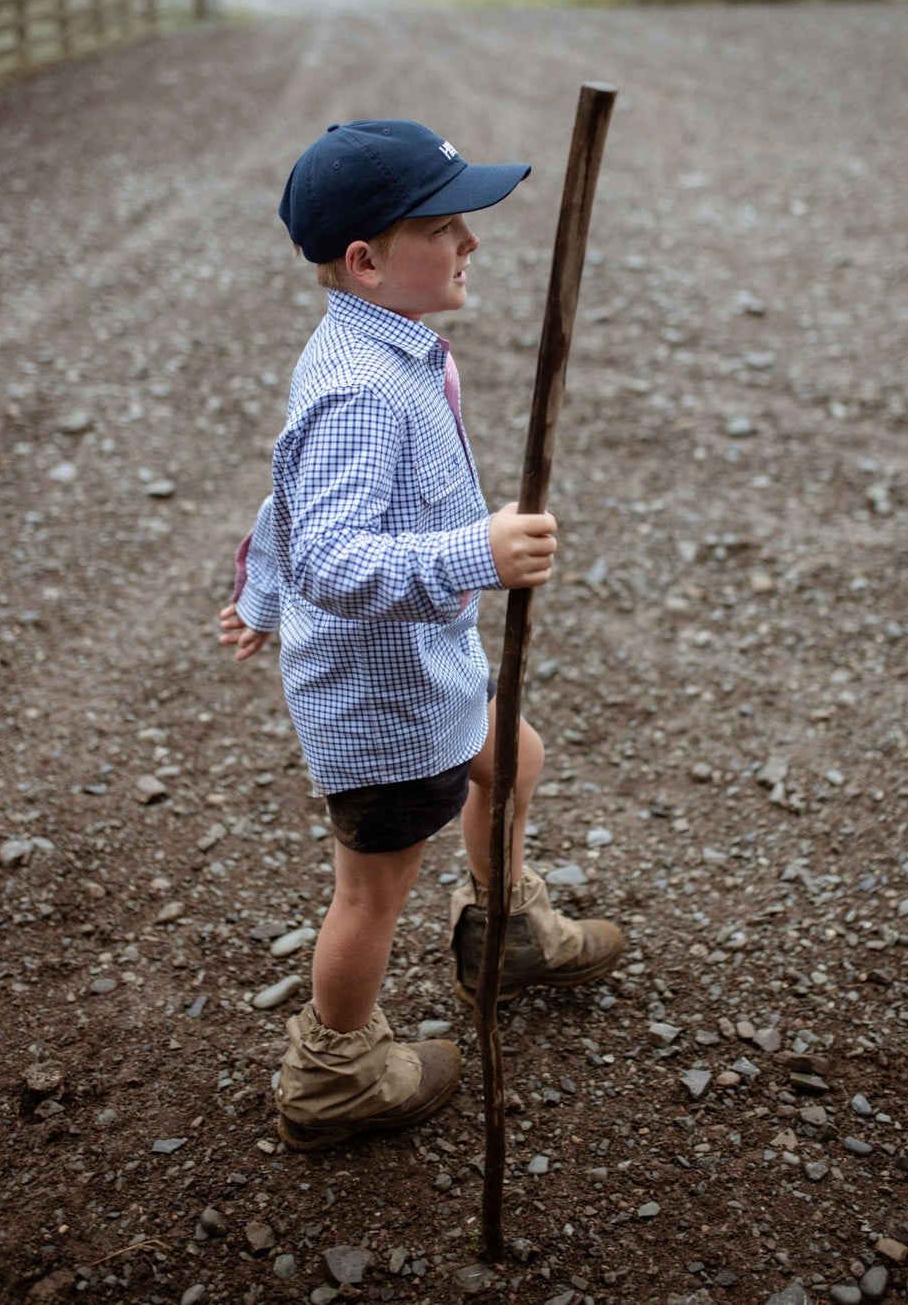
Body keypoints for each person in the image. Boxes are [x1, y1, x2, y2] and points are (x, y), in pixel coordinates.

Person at [219, 119, 622, 1152]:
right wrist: (474, 554)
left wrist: (260, 594)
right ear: (366, 260)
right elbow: (335, 557)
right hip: (382, 702)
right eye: (446, 226)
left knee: (514, 752)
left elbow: (288, 503)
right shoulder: (362, 389)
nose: (470, 243)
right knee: (371, 893)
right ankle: (334, 1070)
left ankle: (508, 931)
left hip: (427, 666)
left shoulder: (381, 349)